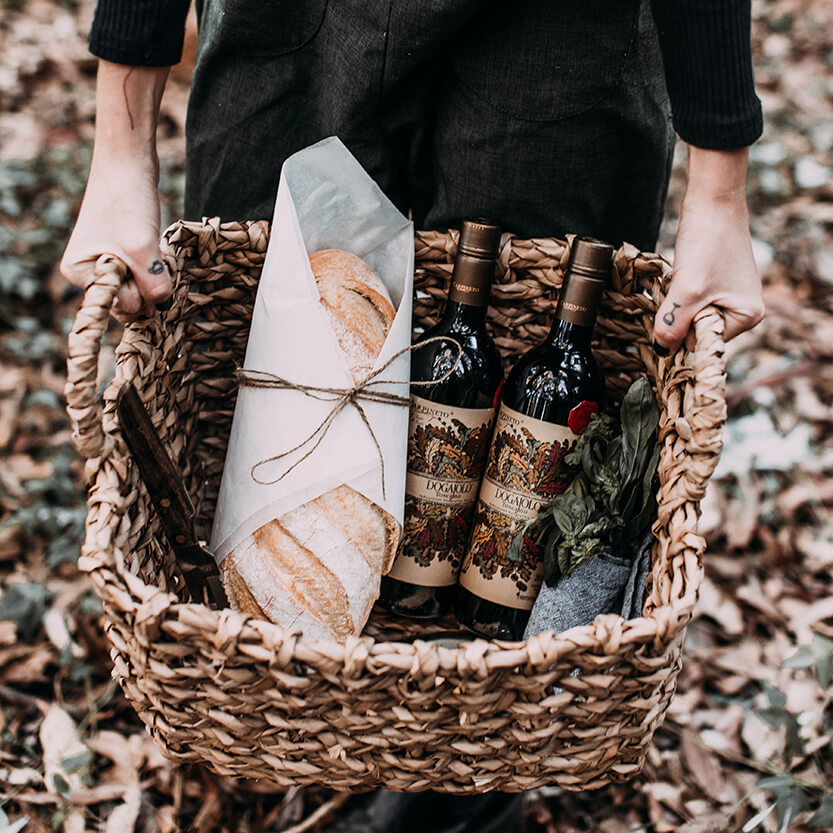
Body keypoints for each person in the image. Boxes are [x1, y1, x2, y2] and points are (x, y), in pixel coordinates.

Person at [59, 1, 766, 829]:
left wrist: (719, 181)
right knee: (268, 330)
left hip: (567, 34)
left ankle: (458, 785)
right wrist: (118, 140)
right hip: (291, 24)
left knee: (538, 368)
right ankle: (281, 698)